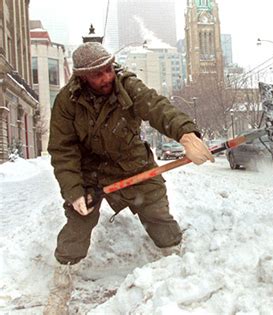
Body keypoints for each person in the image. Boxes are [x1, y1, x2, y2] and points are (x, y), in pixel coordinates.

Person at [44, 42, 214, 314]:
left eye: (109, 69)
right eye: (98, 74)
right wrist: (73, 190)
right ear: (82, 77)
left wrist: (186, 133)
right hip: (91, 173)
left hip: (134, 165)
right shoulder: (67, 102)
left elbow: (157, 107)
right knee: (78, 224)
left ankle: (177, 264)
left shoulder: (127, 85)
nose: (106, 77)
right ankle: (61, 284)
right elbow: (62, 150)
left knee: (157, 213)